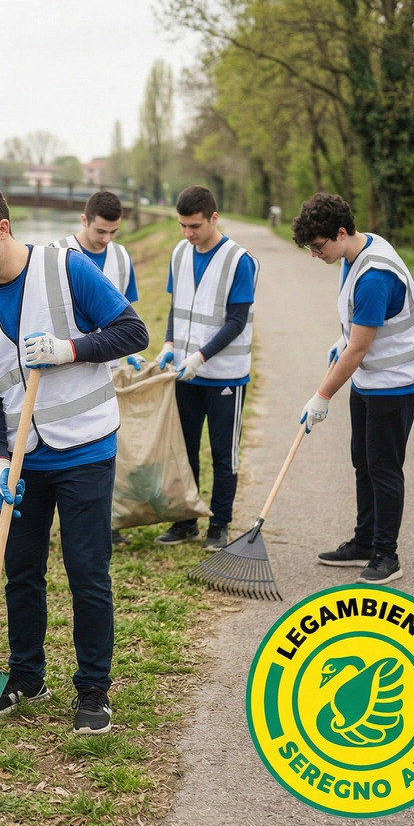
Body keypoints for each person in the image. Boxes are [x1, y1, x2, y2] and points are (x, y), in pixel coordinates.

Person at [0, 180, 148, 734]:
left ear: (2, 228)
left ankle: (93, 691)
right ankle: (27, 676)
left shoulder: (68, 269)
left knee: (87, 572)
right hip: (20, 460)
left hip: (85, 447)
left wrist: (70, 349)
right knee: (21, 572)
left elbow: (134, 331)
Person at [292, 193, 414, 585]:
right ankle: (365, 541)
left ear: (340, 232)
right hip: (372, 378)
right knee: (362, 459)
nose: (316, 255)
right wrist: (344, 339)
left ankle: (387, 555)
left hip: (398, 381)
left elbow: (357, 351)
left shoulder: (374, 275)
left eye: (318, 247)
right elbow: (356, 334)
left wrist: (322, 396)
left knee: (383, 465)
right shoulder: (353, 252)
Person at [153, 185, 258, 552]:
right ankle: (186, 521)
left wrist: (201, 357)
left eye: (195, 225)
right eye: (182, 225)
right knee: (185, 449)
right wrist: (169, 344)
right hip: (184, 374)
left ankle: (220, 524)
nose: (188, 233)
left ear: (214, 217)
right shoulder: (180, 253)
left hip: (225, 376)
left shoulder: (239, 260)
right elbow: (176, 308)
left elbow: (237, 321)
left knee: (222, 453)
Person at [52, 190, 145, 546]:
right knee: (67, 453)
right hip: (69, 373)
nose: (106, 240)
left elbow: (127, 313)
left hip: (113, 373)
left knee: (104, 452)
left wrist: (130, 354)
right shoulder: (56, 254)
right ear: (84, 221)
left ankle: (105, 524)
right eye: (100, 232)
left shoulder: (121, 257)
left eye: (113, 232)